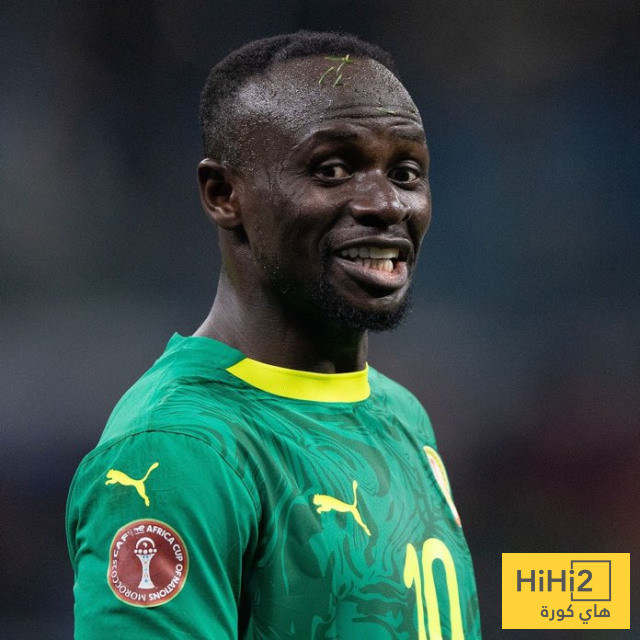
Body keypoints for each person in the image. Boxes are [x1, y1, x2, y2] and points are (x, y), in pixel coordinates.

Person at [67, 31, 481, 639]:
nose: (386, 203)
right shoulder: (179, 450)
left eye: (405, 172)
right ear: (223, 195)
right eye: (332, 170)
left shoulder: (401, 415)